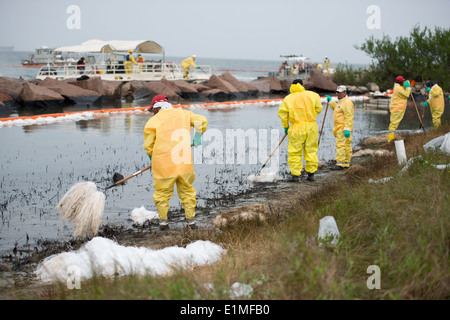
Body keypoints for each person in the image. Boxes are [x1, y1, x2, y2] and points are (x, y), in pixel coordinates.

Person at [143, 95, 208, 230]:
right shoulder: (184, 114)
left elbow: (149, 146)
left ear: (158, 107)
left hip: (163, 163)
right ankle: (191, 222)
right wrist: (198, 136)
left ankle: (163, 223)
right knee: (187, 190)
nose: (152, 113)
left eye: (153, 110)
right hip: (184, 162)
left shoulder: (153, 121)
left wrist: (151, 158)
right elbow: (201, 121)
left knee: (162, 193)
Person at [278, 79, 322, 182]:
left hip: (296, 128)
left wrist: (285, 126)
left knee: (295, 152)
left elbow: (283, 114)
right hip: (311, 127)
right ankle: (311, 175)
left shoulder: (288, 98)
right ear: (302, 85)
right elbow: (319, 110)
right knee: (311, 150)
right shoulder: (313, 95)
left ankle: (295, 176)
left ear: (292, 86)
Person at [325, 85, 354, 170]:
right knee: (346, 145)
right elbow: (336, 108)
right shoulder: (341, 102)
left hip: (343, 128)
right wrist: (331, 102)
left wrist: (347, 129)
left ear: (345, 92)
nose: (338, 94)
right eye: (337, 92)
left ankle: (340, 164)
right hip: (340, 127)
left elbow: (349, 116)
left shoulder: (347, 103)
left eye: (340, 92)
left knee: (341, 145)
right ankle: (345, 163)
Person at [388, 76, 411, 142]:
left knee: (393, 124)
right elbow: (406, 95)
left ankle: (391, 138)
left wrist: (407, 83)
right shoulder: (399, 89)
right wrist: (408, 87)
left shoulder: (398, 87)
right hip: (397, 108)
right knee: (393, 125)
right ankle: (390, 139)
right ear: (401, 82)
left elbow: (403, 88)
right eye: (403, 81)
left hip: (396, 108)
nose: (403, 82)